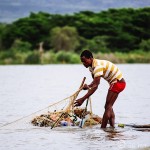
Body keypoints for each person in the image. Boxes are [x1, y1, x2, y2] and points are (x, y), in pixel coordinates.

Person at [74, 50, 126, 128]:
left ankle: (103, 129)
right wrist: (88, 86)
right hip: (114, 83)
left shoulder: (97, 66)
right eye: (82, 62)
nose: (84, 64)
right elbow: (94, 83)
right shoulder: (91, 68)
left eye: (85, 61)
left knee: (107, 106)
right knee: (109, 107)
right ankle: (112, 128)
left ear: (91, 58)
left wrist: (83, 99)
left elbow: (95, 86)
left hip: (118, 83)